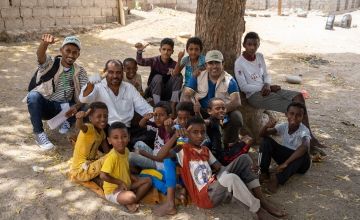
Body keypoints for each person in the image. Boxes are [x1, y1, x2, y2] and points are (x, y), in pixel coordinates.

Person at [149, 116, 287, 219]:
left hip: (215, 185)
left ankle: (263, 201)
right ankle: (258, 210)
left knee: (244, 159)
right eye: (195, 132)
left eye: (202, 132)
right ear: (187, 134)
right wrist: (174, 136)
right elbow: (161, 156)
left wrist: (242, 170)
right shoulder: (182, 150)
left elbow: (220, 168)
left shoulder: (205, 150)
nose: (199, 135)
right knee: (231, 177)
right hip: (205, 196)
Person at [234, 31, 326, 151]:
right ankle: (304, 140)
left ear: (259, 45)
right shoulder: (239, 63)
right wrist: (266, 87)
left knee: (299, 97)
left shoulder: (260, 56)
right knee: (293, 108)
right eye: (249, 44)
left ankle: (308, 135)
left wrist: (267, 84)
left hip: (267, 88)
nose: (252, 47)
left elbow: (266, 74)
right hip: (254, 96)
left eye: (255, 44)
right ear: (244, 45)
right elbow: (243, 87)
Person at [26, 34, 88, 150]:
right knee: (33, 96)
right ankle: (39, 134)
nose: (70, 55)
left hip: (66, 108)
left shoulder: (80, 71)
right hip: (47, 107)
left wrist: (77, 105)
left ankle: (67, 120)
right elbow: (40, 56)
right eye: (67, 50)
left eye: (75, 52)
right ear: (61, 50)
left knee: (86, 103)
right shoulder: (51, 63)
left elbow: (86, 92)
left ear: (78, 55)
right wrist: (45, 44)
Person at [79, 59, 154, 148]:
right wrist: (90, 84)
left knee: (153, 134)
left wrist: (159, 116)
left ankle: (128, 146)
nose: (115, 76)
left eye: (118, 72)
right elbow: (83, 99)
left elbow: (144, 107)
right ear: (105, 72)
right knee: (100, 139)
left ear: (123, 73)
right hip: (107, 128)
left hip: (126, 129)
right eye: (111, 72)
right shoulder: (97, 87)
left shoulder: (129, 88)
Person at [182, 50, 243, 146]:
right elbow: (186, 94)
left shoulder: (229, 80)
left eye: (217, 63)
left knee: (236, 116)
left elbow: (236, 101)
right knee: (184, 106)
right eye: (210, 63)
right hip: (201, 111)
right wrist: (193, 105)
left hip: (222, 114)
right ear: (206, 65)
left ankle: (230, 145)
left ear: (223, 64)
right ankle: (187, 143)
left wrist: (220, 111)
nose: (214, 66)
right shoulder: (198, 76)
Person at [259, 102, 311, 193]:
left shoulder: (304, 130)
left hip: (301, 164)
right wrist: (266, 126)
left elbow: (305, 146)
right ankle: (264, 172)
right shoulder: (283, 126)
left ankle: (277, 179)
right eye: (291, 113)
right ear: (286, 114)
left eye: (299, 115)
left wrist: (286, 163)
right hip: (287, 157)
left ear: (303, 117)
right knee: (266, 141)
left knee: (304, 153)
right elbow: (262, 135)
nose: (294, 117)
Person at [100, 122, 152, 213]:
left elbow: (125, 167)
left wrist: (132, 177)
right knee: (131, 196)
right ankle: (130, 201)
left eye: (124, 136)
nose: (120, 140)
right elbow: (103, 176)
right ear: (109, 140)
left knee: (148, 180)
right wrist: (119, 183)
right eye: (115, 138)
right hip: (113, 191)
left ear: (129, 137)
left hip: (126, 185)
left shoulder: (126, 150)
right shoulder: (112, 157)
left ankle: (131, 202)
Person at [135, 38, 183, 115]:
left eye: (169, 50)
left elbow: (177, 74)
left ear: (172, 52)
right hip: (154, 91)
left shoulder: (174, 64)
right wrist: (139, 51)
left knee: (178, 76)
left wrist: (179, 59)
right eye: (164, 49)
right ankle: (157, 105)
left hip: (167, 91)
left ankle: (173, 104)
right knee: (158, 77)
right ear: (160, 50)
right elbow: (140, 62)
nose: (166, 52)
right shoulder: (154, 60)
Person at [205, 98, 254, 166]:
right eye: (217, 108)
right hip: (222, 157)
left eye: (223, 108)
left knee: (245, 138)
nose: (221, 110)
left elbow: (219, 140)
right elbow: (203, 122)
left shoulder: (220, 120)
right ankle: (233, 162)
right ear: (209, 111)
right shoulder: (211, 121)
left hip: (224, 149)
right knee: (248, 140)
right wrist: (197, 114)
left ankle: (236, 158)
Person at [69, 102, 110, 183]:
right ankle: (97, 178)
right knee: (113, 157)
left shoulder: (102, 133)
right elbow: (80, 126)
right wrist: (79, 118)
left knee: (111, 156)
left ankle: (95, 177)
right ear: (90, 118)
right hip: (81, 170)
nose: (103, 119)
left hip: (90, 165)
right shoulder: (89, 128)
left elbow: (107, 152)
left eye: (105, 116)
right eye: (99, 116)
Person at [129, 101, 173, 170]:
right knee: (138, 143)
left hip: (159, 164)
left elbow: (169, 131)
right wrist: (146, 118)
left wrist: (143, 153)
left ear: (169, 116)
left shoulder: (170, 131)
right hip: (154, 155)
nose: (157, 118)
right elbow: (141, 124)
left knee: (130, 156)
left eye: (161, 115)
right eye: (156, 115)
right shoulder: (158, 126)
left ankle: (136, 171)